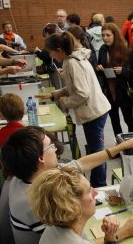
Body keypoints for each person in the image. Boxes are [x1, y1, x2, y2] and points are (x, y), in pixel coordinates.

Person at [0, 126, 133, 244]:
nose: (56, 150)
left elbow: (80, 164)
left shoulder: (27, 175)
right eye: (51, 146)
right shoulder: (35, 203)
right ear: (41, 158)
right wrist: (125, 231)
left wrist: (122, 146)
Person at [41, 32, 111, 187]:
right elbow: (74, 86)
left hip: (94, 112)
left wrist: (67, 103)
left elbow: (82, 93)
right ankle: (98, 183)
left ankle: (99, 186)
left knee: (96, 153)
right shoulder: (72, 59)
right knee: (95, 149)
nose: (51, 56)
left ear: (59, 49)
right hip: (94, 110)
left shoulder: (72, 63)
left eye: (51, 52)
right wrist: (56, 94)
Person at [96, 23, 133, 136]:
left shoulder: (124, 50)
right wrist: (99, 68)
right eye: (103, 35)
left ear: (115, 35)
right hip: (109, 90)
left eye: (108, 35)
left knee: (128, 119)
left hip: (123, 90)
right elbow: (100, 65)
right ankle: (119, 144)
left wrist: (123, 71)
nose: (105, 38)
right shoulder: (103, 49)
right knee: (114, 120)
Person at [0, 93, 24, 168]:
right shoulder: (30, 133)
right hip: (31, 174)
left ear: (2, 114)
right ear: (22, 111)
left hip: (9, 174)